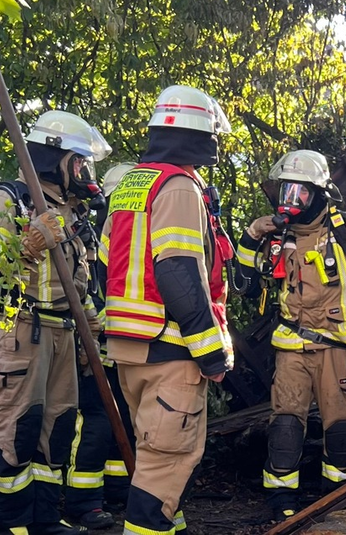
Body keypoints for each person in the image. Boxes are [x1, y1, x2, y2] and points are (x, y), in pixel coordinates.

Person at [99, 86, 235, 535]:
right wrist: (211, 354)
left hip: (131, 350)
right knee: (164, 472)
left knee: (153, 460)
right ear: (202, 134)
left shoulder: (132, 184)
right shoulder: (177, 186)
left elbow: (105, 264)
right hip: (171, 352)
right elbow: (178, 273)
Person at [0, 110, 112, 535]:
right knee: (20, 427)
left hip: (65, 333)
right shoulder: (8, 199)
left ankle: (46, 519)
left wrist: (96, 337)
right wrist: (27, 246)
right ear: (57, 159)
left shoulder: (72, 213)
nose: (83, 173)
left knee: (59, 427)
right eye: (79, 162)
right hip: (20, 329)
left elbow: (83, 286)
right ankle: (13, 524)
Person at [236, 150, 346, 521]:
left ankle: (338, 496)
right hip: (291, 346)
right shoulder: (278, 234)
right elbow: (242, 282)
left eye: (299, 193)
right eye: (286, 191)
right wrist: (252, 234)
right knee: (286, 421)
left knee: (340, 424)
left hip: (338, 346)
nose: (291, 202)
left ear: (319, 193)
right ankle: (280, 498)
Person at [64, 162, 137, 530]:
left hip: (129, 347)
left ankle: (118, 487)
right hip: (95, 345)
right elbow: (84, 292)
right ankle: (83, 499)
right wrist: (101, 328)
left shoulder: (140, 236)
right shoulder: (91, 237)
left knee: (124, 417)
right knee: (96, 421)